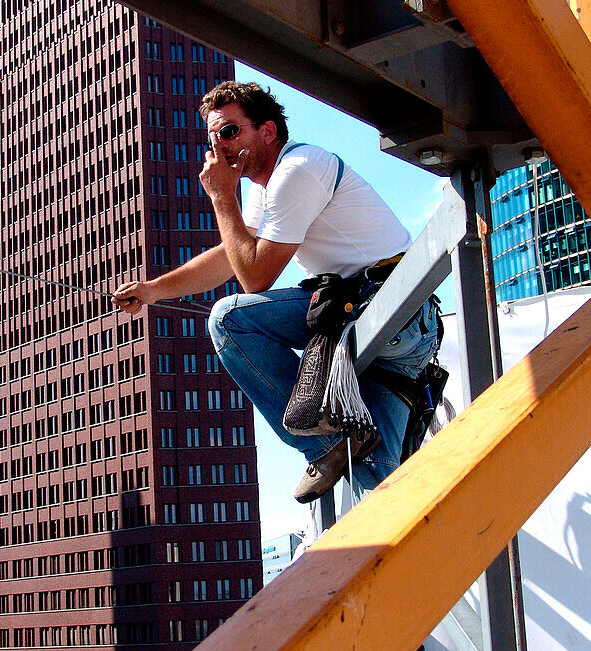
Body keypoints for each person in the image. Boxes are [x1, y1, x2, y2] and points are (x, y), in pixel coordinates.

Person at [113, 81, 439, 503]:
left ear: (267, 131)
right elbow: (233, 254)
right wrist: (156, 289)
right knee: (376, 486)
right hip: (383, 328)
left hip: (389, 313)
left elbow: (255, 278)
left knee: (232, 321)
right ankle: (393, 534)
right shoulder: (266, 189)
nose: (219, 145)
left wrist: (221, 196)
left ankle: (325, 447)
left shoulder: (296, 170)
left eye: (229, 131)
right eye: (212, 136)